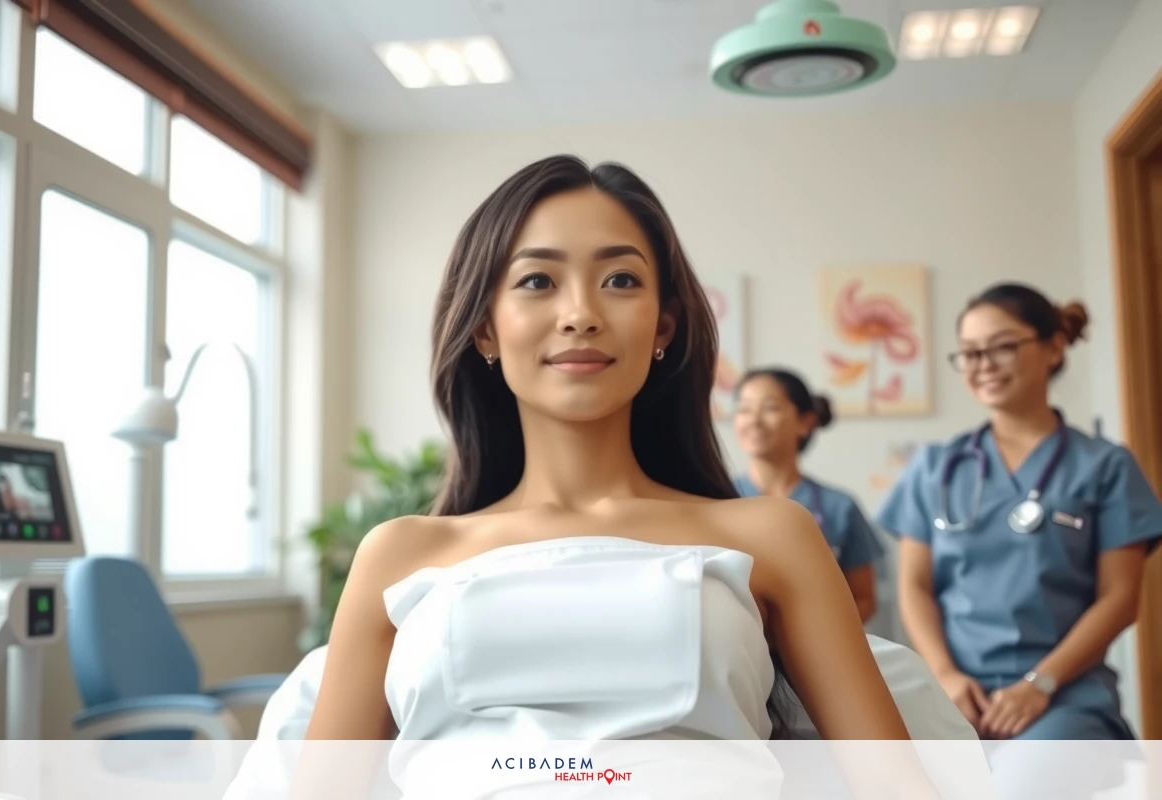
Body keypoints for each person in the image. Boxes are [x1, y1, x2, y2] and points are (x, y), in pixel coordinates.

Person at [302, 154, 912, 758]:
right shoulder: (399, 555)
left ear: (663, 328)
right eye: (537, 281)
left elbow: (891, 782)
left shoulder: (773, 536)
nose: (581, 316)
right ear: (486, 328)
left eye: (620, 280)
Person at [876, 282, 1162, 741]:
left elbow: (1120, 599)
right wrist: (945, 675)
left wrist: (1039, 683)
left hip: (1063, 697)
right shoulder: (936, 468)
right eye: (969, 353)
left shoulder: (1105, 466)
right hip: (953, 694)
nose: (983, 365)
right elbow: (914, 586)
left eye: (1002, 347)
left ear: (1054, 347)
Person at [732, 368, 886, 623]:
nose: (754, 421)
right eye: (744, 409)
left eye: (770, 408)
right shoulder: (713, 499)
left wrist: (816, 641)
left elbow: (864, 599)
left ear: (806, 422)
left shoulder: (839, 506)